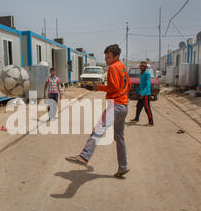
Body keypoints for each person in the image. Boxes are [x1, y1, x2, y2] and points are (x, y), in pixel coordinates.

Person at [65, 44, 131, 178]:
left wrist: (99, 87)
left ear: (116, 57)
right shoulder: (123, 67)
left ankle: (84, 155)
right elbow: (127, 85)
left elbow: (113, 87)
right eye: (105, 57)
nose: (106, 60)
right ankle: (123, 167)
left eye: (109, 57)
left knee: (98, 130)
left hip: (115, 105)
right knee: (120, 138)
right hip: (124, 105)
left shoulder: (113, 67)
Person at [130, 61, 154, 126]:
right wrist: (136, 92)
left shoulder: (147, 74)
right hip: (141, 93)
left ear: (146, 67)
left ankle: (151, 122)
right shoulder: (141, 74)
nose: (142, 67)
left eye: (143, 66)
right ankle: (136, 118)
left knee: (147, 107)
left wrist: (142, 93)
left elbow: (147, 85)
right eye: (141, 66)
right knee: (138, 106)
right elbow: (141, 85)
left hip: (146, 94)